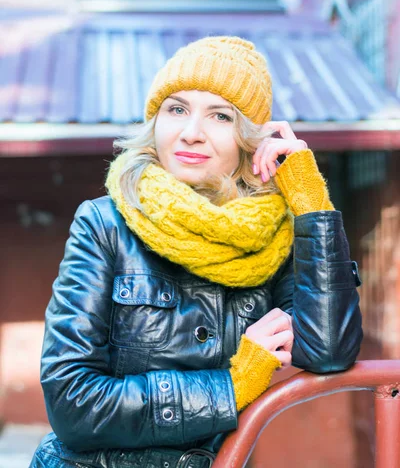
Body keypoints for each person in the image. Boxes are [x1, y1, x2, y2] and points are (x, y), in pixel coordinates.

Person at [29, 36, 363, 468]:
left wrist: (310, 198)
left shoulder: (271, 238)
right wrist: (232, 386)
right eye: (177, 109)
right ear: (156, 122)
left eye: (219, 116)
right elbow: (71, 402)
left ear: (248, 140)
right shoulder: (104, 224)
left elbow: (330, 351)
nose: (191, 133)